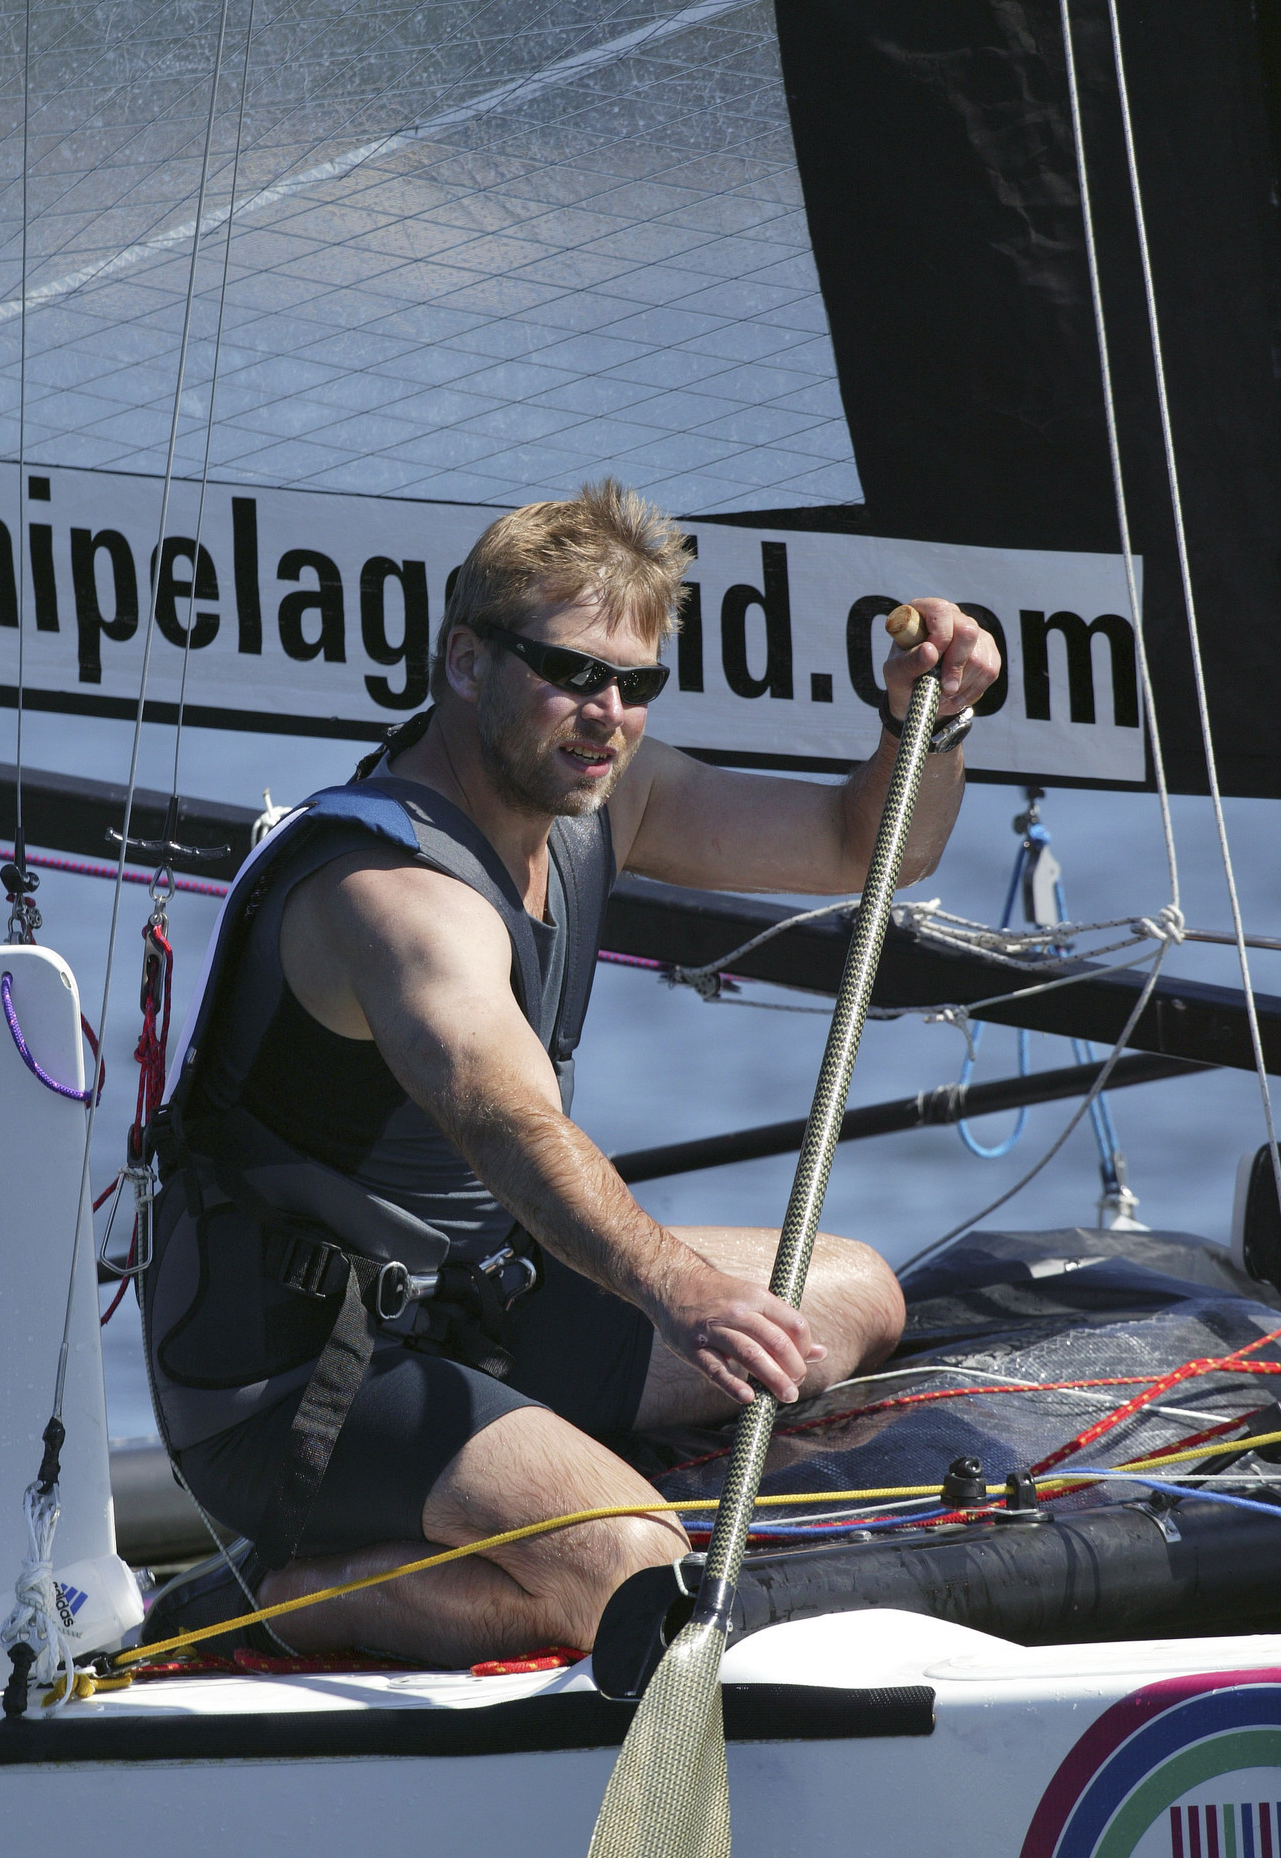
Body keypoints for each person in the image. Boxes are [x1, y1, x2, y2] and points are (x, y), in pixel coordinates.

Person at [144, 482, 1000, 1665]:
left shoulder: (604, 795)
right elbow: (510, 1127)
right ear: (464, 660)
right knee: (637, 1571)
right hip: (303, 1379)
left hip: (479, 1304)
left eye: (635, 684)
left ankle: (505, 1479)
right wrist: (678, 1290)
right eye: (569, 672)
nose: (607, 714)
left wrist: (930, 725)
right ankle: (255, 1600)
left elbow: (872, 845)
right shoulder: (394, 901)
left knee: (854, 1293)